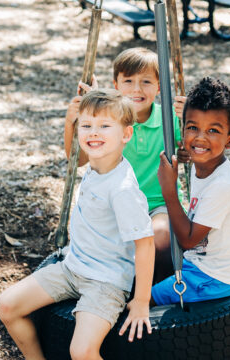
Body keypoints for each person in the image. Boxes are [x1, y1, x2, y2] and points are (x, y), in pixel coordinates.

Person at [0, 89, 155, 360]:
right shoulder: (94, 164)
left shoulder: (123, 190)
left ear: (126, 135)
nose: (93, 132)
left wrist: (141, 301)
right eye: (87, 126)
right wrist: (72, 118)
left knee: (83, 352)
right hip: (73, 267)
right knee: (7, 305)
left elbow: (146, 244)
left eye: (105, 126)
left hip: (106, 281)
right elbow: (76, 150)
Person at [126, 76, 230, 360]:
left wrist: (168, 189)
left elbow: (188, 239)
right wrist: (186, 156)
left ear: (229, 140)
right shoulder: (205, 164)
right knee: (153, 267)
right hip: (210, 268)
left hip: (208, 278)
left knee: (137, 310)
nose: (200, 138)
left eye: (214, 131)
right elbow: (196, 153)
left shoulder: (223, 184)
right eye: (193, 127)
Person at [64, 47, 185, 283]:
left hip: (158, 204)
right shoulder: (108, 122)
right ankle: (116, 285)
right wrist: (72, 122)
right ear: (116, 85)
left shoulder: (170, 118)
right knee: (109, 239)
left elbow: (194, 151)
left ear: (159, 87)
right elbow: (77, 160)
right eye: (128, 81)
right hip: (117, 204)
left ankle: (152, 293)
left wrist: (190, 115)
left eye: (146, 81)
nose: (137, 89)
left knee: (157, 235)